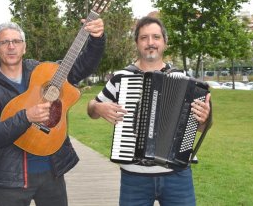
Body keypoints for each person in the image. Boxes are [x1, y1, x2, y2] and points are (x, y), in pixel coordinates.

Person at [0, 19, 105, 206]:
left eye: (16, 41)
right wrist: (26, 117)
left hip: (52, 172)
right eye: (4, 42)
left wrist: (97, 39)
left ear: (24, 47)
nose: (11, 47)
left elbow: (81, 67)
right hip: (11, 180)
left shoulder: (44, 71)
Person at [87, 16, 212, 206]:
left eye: (156, 37)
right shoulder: (120, 78)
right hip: (134, 178)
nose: (150, 43)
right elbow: (91, 109)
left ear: (165, 42)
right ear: (137, 43)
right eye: (144, 38)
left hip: (177, 175)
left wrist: (205, 117)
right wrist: (98, 106)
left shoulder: (184, 79)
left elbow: (202, 127)